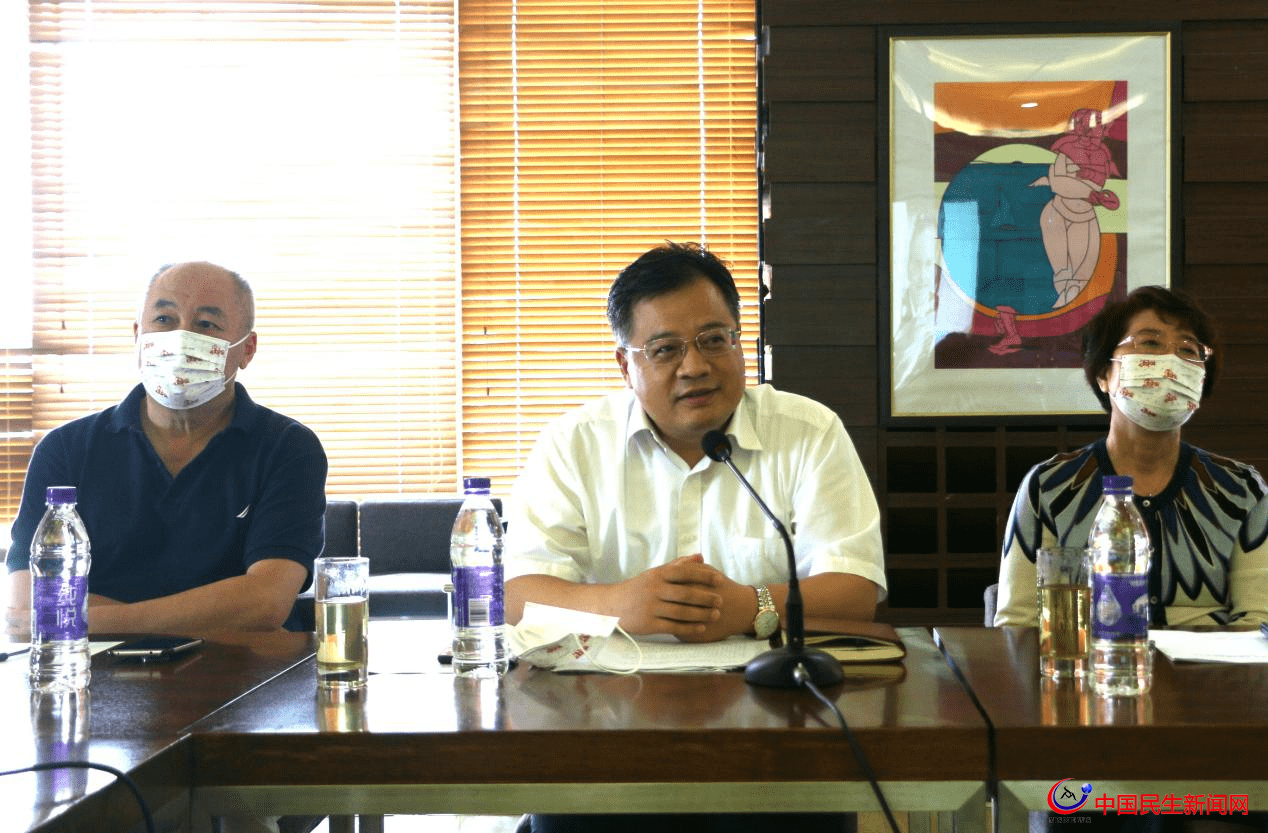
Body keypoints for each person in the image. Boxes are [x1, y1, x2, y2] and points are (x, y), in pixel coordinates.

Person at [503, 241, 885, 833]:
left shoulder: (808, 433)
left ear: (739, 341)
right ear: (625, 366)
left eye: (713, 340)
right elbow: (517, 593)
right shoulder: (573, 444)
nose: (695, 366)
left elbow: (855, 586)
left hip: (779, 731)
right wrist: (624, 604)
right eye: (665, 349)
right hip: (602, 733)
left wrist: (749, 607)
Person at [6, 261, 327, 637]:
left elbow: (266, 601)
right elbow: (27, 602)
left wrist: (83, 619)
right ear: (138, 337)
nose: (181, 338)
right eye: (164, 320)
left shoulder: (288, 448)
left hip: (242, 670)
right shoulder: (65, 449)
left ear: (247, 349)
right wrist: (212, 617)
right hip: (94, 669)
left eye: (206, 324)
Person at [996, 284, 1268, 629]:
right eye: (1150, 343)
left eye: (1188, 349)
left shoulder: (1241, 490)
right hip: (1085, 662)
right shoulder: (1049, 488)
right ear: (1103, 374)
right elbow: (1018, 625)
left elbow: (1260, 621)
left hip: (1211, 665)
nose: (1171, 361)